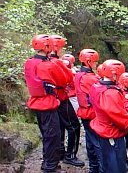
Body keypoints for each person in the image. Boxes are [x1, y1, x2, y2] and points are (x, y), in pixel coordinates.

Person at [24, 34, 66, 173]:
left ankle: (47, 162)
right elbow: (62, 81)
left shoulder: (30, 62)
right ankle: (50, 167)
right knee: (53, 136)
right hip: (47, 103)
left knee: (46, 134)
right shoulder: (47, 65)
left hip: (36, 102)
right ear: (47, 47)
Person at [89, 59, 128, 173]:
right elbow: (123, 122)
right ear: (115, 75)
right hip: (111, 133)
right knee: (116, 166)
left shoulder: (96, 86)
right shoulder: (111, 93)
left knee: (105, 162)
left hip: (102, 128)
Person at [49, 35, 84, 167]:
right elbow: (67, 79)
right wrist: (69, 71)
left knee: (61, 126)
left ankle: (61, 152)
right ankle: (70, 156)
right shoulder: (55, 62)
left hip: (55, 98)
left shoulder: (47, 60)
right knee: (74, 126)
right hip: (61, 97)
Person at [75, 48, 104, 173]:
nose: (96, 64)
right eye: (95, 62)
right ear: (88, 62)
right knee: (97, 142)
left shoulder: (78, 75)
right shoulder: (90, 78)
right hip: (92, 113)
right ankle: (98, 167)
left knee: (89, 139)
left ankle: (93, 166)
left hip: (84, 112)